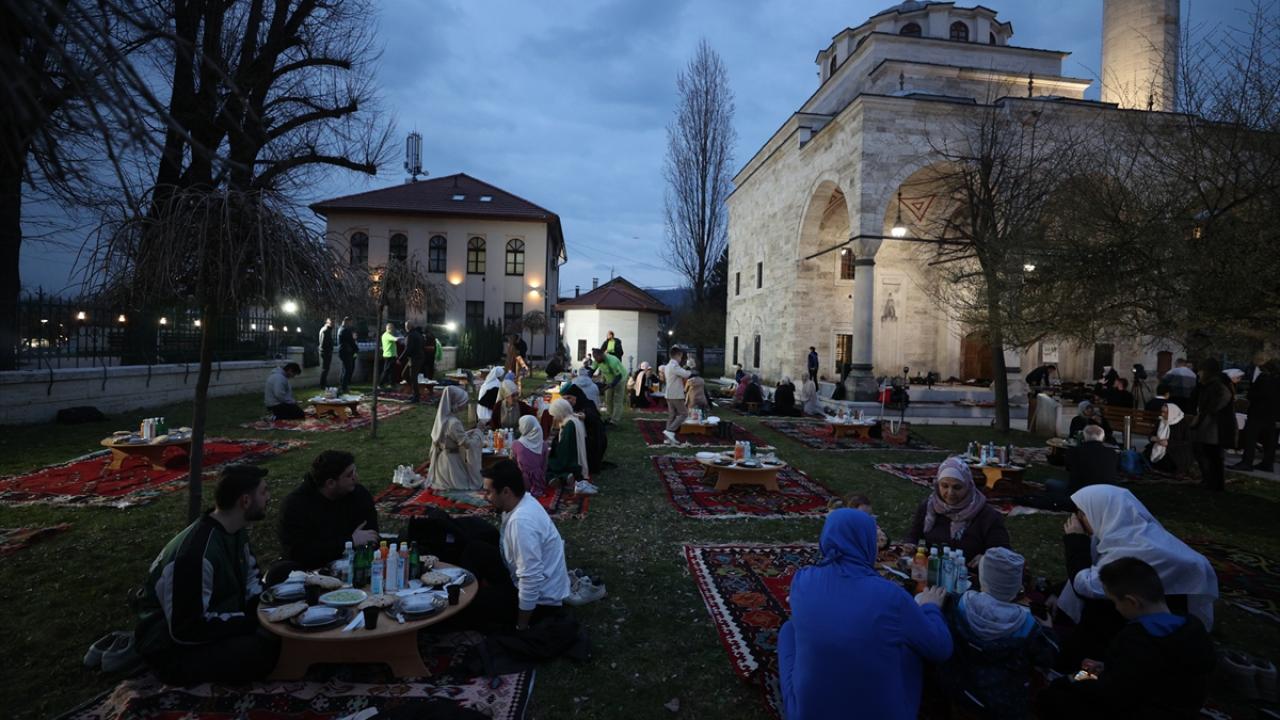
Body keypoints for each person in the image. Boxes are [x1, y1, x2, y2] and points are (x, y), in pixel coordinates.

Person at [778, 510, 952, 720]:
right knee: (911, 645)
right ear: (868, 543)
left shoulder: (802, 579)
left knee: (789, 629)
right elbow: (940, 649)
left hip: (806, 713)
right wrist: (930, 607)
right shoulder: (891, 596)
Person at [134, 464, 279, 685]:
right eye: (263, 491)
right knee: (263, 649)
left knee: (279, 633)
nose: (268, 497)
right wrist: (254, 622)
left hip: (220, 622)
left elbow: (252, 581)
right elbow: (187, 629)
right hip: (173, 649)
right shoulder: (196, 554)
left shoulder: (235, 531)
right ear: (245, 501)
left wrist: (271, 610)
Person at [1054, 485, 1218, 671]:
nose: (1078, 520)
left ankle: (1082, 669)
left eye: (1082, 513)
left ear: (1102, 512)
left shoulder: (1137, 550)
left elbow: (1087, 586)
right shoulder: (1130, 534)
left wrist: (1076, 540)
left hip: (1145, 638)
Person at [1037, 557, 1216, 720]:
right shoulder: (1191, 624)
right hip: (1179, 704)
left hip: (1142, 708)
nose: (1115, 607)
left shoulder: (1138, 639)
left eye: (1114, 601)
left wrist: (1080, 678)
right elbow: (1144, 672)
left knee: (1058, 691)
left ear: (1132, 602)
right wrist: (1106, 667)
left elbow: (1113, 692)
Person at [940, 547, 1059, 720]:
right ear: (1018, 588)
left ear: (982, 578)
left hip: (959, 687)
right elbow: (1048, 656)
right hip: (1003, 702)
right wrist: (1048, 628)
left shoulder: (958, 603)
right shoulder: (1027, 624)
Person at [473, 460, 572, 630]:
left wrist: (522, 625)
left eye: (489, 492)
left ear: (506, 492)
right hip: (520, 578)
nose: (485, 497)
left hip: (541, 602)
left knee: (473, 606)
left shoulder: (522, 523)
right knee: (476, 549)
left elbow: (531, 579)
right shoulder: (522, 500)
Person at [278, 450, 379, 568]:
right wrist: (349, 542)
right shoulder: (296, 506)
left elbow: (370, 535)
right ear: (330, 483)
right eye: (349, 475)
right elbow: (298, 553)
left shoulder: (358, 494)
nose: (355, 478)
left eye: (355, 472)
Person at [904, 457, 1011, 564]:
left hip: (971, 574)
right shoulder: (929, 507)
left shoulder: (987, 516)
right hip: (932, 569)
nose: (950, 493)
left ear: (968, 486)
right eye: (945, 486)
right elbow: (914, 535)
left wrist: (986, 558)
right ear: (937, 485)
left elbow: (1003, 553)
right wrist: (911, 545)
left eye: (957, 487)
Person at [427, 386, 483, 491]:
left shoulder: (444, 419)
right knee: (466, 487)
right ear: (457, 403)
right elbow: (468, 445)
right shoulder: (454, 423)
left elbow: (450, 437)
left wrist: (469, 432)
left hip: (442, 460)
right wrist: (478, 431)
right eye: (464, 402)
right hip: (451, 463)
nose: (466, 405)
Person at [1190, 358, 1234, 492]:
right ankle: (1209, 481)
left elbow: (1224, 397)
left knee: (1212, 455)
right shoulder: (1209, 384)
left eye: (1201, 371)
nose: (1198, 374)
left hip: (1214, 426)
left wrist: (1209, 410)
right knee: (1205, 453)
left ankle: (1214, 484)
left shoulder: (1217, 384)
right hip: (1209, 424)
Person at [1234, 359, 1278, 473]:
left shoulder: (1262, 379)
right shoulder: (1277, 380)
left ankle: (1247, 462)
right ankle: (1268, 463)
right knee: (1270, 440)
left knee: (1250, 438)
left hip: (1258, 412)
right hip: (1272, 414)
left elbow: (1252, 394)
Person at [547, 398, 596, 494]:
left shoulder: (569, 425)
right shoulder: (573, 418)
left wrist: (552, 451)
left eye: (555, 415)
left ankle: (567, 478)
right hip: (576, 455)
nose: (555, 418)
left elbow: (564, 448)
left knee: (548, 463)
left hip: (570, 459)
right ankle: (575, 480)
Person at [560, 383, 606, 476]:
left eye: (569, 398)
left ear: (577, 396)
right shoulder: (570, 407)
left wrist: (586, 416)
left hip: (592, 442)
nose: (567, 401)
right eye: (565, 399)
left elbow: (592, 416)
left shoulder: (588, 404)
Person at [1065, 424, 1118, 492]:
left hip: (1079, 494)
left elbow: (1068, 467)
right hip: (1107, 494)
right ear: (1103, 438)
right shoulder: (1112, 453)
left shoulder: (1074, 451)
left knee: (1050, 483)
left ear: (1083, 437)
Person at [1145, 403, 1193, 475]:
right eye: (1161, 412)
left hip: (1176, 449)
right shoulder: (1160, 421)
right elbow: (1152, 434)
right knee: (1145, 455)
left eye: (1165, 412)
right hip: (1159, 446)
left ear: (1172, 413)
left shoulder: (1182, 423)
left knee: (1169, 462)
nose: (1162, 414)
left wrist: (1169, 443)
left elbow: (1187, 441)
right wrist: (1152, 438)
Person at [514, 415, 550, 496]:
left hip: (521, 483)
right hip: (539, 482)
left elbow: (513, 463)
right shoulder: (544, 445)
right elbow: (544, 466)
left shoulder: (516, 444)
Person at [662, 346, 692, 445]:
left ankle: (667, 439)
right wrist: (690, 367)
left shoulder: (668, 365)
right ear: (678, 355)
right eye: (681, 357)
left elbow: (681, 372)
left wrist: (686, 368)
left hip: (669, 394)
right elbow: (686, 374)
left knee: (672, 415)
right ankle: (670, 431)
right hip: (675, 394)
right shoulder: (674, 366)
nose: (681, 359)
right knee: (684, 414)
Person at [592, 347, 626, 424]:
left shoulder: (612, 361)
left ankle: (614, 420)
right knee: (608, 399)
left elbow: (618, 376)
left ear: (601, 355)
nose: (595, 360)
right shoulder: (598, 359)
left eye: (596, 358)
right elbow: (591, 370)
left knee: (617, 399)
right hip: (609, 379)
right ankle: (609, 416)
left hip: (620, 379)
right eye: (594, 358)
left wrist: (609, 386)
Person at [397, 321, 427, 402]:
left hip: (415, 358)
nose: (405, 328)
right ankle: (415, 393)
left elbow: (408, 349)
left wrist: (400, 359)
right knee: (405, 374)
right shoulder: (418, 334)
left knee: (412, 377)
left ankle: (416, 396)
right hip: (417, 357)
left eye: (406, 326)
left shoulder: (411, 335)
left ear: (408, 327)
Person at [337, 316, 357, 394]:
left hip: (342, 351)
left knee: (344, 369)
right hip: (346, 352)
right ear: (347, 322)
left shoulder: (340, 329)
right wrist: (356, 349)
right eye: (350, 323)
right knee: (348, 369)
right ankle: (344, 387)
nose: (351, 324)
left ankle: (342, 385)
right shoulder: (345, 330)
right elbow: (351, 341)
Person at [377, 322, 399, 389]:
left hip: (391, 355)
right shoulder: (387, 335)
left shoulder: (386, 335)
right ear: (389, 328)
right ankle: (380, 384)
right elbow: (395, 339)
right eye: (392, 328)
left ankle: (392, 384)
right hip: (389, 355)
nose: (393, 329)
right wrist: (403, 338)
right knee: (386, 370)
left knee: (392, 371)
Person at [317, 318, 334, 388]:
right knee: (325, 369)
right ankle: (322, 384)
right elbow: (324, 343)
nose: (333, 324)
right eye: (331, 323)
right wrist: (329, 350)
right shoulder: (326, 330)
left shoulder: (323, 329)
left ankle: (324, 383)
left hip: (323, 351)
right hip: (326, 352)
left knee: (325, 368)